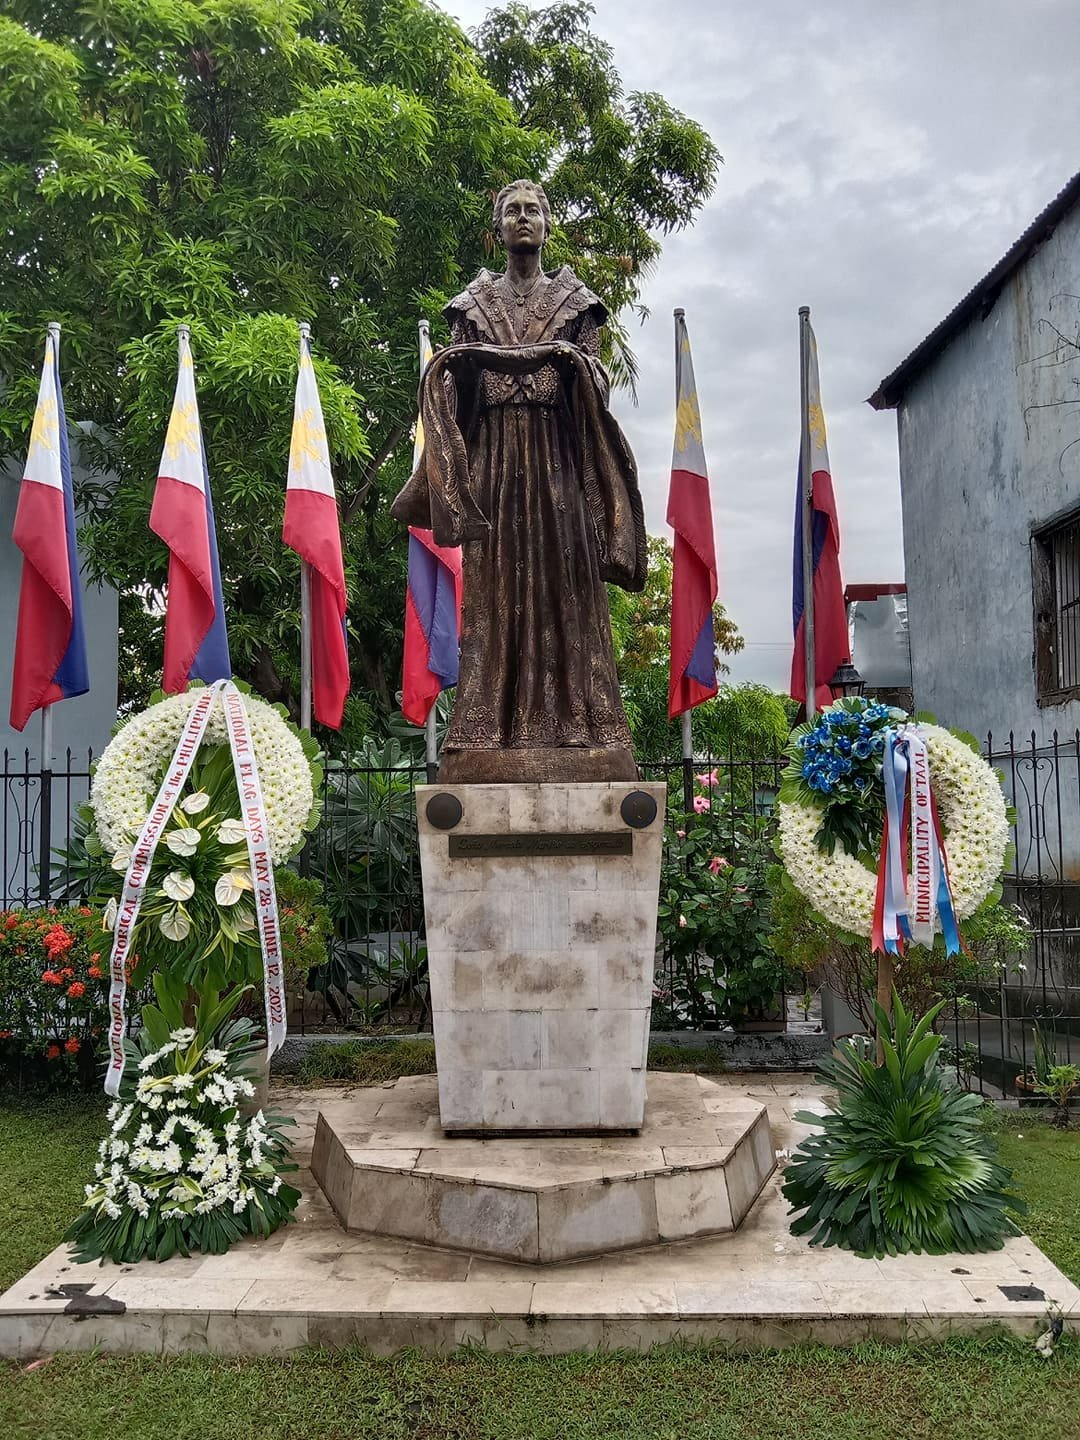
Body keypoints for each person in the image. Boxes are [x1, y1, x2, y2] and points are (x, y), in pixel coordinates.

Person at [391, 179, 647, 783]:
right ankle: (485, 728)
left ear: (549, 224)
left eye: (534, 210)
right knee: (492, 588)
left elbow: (598, 385)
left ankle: (581, 729)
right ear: (499, 227)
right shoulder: (473, 306)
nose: (524, 219)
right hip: (498, 468)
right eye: (513, 212)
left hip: (558, 463)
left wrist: (566, 365)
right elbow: (455, 391)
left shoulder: (578, 303)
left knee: (568, 587)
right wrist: (456, 373)